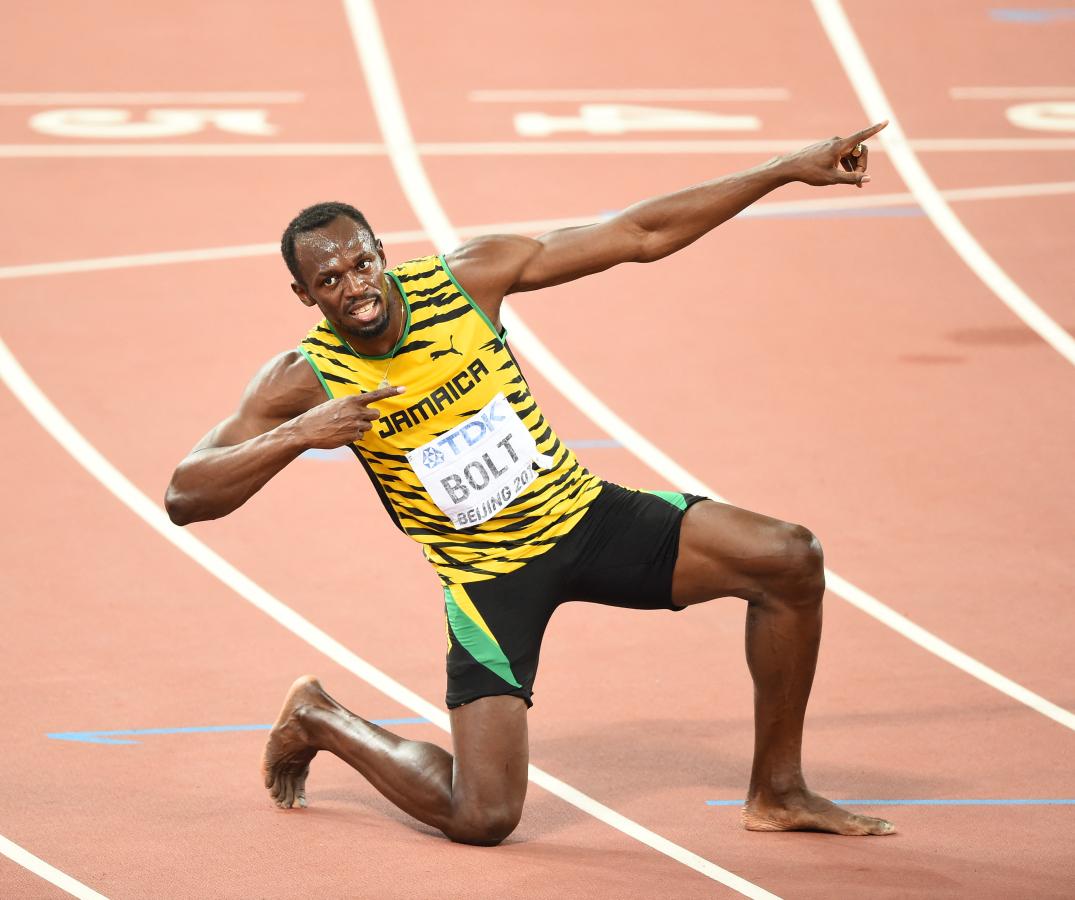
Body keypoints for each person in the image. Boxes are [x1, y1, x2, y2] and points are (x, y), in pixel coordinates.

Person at [165, 122, 895, 844]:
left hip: (582, 516)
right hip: (487, 579)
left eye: (361, 265)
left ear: (382, 254)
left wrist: (782, 168)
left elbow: (638, 234)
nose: (355, 289)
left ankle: (777, 789)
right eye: (329, 281)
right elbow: (185, 496)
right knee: (482, 817)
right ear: (303, 295)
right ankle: (321, 719)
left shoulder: (467, 278)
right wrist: (299, 434)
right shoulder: (303, 377)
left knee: (789, 558)